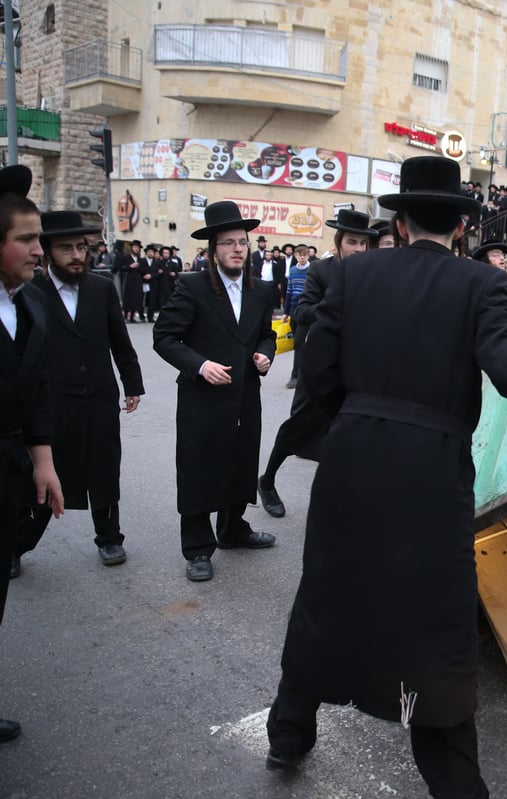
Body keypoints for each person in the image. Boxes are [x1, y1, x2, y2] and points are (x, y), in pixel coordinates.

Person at [263, 157, 507, 795]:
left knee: (328, 594)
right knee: (433, 616)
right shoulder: (479, 286)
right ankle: (455, 783)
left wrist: (333, 440)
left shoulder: (348, 275)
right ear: (460, 226)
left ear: (399, 223)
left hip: (353, 463)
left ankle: (288, 737)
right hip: (430, 473)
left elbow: (316, 382)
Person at [11, 210, 143, 577]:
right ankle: (17, 545)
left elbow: (120, 338)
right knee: (44, 476)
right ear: (48, 251)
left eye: (81, 247)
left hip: (99, 396)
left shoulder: (101, 289)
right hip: (53, 401)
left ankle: (109, 537)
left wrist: (132, 384)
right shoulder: (29, 292)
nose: (76, 255)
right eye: (66, 248)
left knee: (104, 469)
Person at [152, 201, 277, 582]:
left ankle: (232, 529)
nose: (237, 248)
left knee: (240, 461)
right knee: (199, 468)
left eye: (242, 242)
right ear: (213, 250)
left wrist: (265, 355)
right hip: (202, 399)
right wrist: (201, 365)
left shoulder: (262, 290)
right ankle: (197, 548)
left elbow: (266, 335)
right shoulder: (192, 287)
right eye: (227, 243)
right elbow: (164, 337)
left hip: (244, 396)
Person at [256, 209, 378, 518]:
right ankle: (267, 481)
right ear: (338, 242)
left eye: (363, 243)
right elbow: (302, 313)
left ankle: (333, 500)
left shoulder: (371, 273)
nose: (358, 249)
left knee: (344, 431)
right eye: (352, 242)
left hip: (353, 366)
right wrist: (334, 305)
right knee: (300, 425)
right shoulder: (321, 271)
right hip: (320, 365)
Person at [0, 164, 65, 743]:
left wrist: (43, 462)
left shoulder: (30, 306)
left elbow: (38, 390)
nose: (37, 250)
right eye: (25, 239)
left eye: (37, 238)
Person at [283, 244, 312, 390]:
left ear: (308, 255)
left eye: (304, 254)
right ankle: (302, 371)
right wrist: (285, 312)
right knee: (298, 344)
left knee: (299, 343)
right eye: (299, 254)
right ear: (295, 255)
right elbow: (288, 292)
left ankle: (296, 376)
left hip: (305, 311)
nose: (302, 257)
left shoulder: (312, 270)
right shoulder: (293, 270)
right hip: (294, 310)